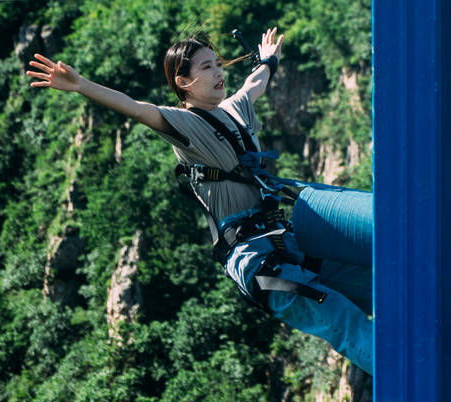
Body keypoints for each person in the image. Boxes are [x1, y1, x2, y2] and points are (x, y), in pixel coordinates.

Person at [28, 29, 373, 373]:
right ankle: (407, 372)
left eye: (219, 64)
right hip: (256, 259)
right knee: (341, 318)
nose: (219, 72)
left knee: (380, 282)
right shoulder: (185, 125)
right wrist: (80, 84)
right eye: (207, 68)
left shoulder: (235, 111)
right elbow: (136, 108)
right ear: (184, 82)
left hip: (285, 241)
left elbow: (254, 85)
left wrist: (268, 60)